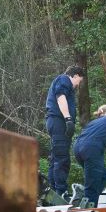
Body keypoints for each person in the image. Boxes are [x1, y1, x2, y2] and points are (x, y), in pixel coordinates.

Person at [44, 65, 85, 201]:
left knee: (56, 158)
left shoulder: (65, 83)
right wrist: (68, 119)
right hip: (58, 121)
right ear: (75, 75)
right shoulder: (64, 80)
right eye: (80, 80)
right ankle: (61, 192)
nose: (79, 84)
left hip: (56, 122)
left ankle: (52, 193)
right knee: (62, 158)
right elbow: (60, 97)